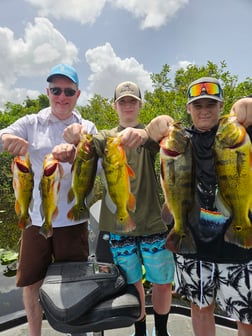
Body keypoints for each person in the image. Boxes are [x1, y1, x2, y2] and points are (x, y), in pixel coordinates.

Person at [63, 81, 175, 336]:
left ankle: (162, 331)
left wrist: (148, 133)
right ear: (114, 106)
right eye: (122, 101)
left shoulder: (149, 137)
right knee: (133, 282)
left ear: (140, 105)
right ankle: (140, 331)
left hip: (153, 223)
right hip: (118, 226)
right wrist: (75, 133)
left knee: (163, 283)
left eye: (132, 101)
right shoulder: (105, 138)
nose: (127, 105)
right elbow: (86, 141)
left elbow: (165, 124)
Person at [142, 77, 252, 336]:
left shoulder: (240, 135)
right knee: (200, 307)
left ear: (222, 106)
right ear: (188, 109)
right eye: (198, 105)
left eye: (211, 105)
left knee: (246, 315)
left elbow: (248, 109)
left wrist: (246, 104)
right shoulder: (181, 139)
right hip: (192, 244)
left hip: (236, 244)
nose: (204, 110)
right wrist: (156, 125)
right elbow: (146, 135)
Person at [0, 63, 97, 336]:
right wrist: (7, 138)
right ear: (48, 91)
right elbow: (0, 138)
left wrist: (80, 147)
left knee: (75, 283)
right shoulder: (31, 123)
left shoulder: (85, 125)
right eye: (56, 90)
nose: (62, 97)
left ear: (78, 95)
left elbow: (101, 165)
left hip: (73, 218)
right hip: (35, 218)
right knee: (32, 282)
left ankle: (76, 331)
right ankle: (34, 333)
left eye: (68, 91)